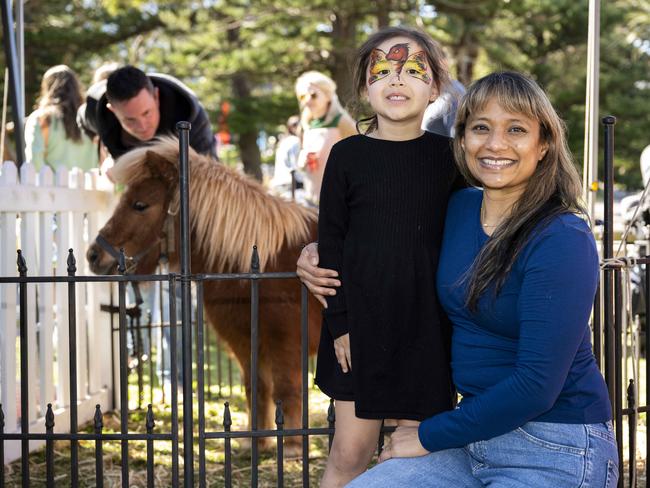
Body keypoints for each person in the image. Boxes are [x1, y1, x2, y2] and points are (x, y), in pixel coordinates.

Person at [299, 72, 618, 487]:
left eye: (516, 129)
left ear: (544, 146)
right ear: (462, 140)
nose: (495, 144)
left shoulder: (560, 237)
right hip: (469, 442)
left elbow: (537, 386)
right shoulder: (458, 208)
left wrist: (429, 435)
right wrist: (316, 254)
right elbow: (383, 238)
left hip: (554, 444)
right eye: (480, 128)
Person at [310, 26, 464, 487]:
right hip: (357, 328)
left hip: (426, 329)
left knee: (411, 454)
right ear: (364, 87)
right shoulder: (346, 156)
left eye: (414, 70)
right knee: (350, 451)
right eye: (382, 71)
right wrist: (341, 324)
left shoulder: (452, 158)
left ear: (434, 87)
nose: (397, 81)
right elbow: (330, 242)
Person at [78, 65, 216, 160]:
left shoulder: (190, 116)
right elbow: (80, 119)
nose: (143, 126)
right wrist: (102, 152)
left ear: (156, 97)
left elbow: (210, 172)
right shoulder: (96, 112)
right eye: (130, 120)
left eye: (147, 113)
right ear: (113, 111)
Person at [294, 71, 356, 204]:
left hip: (339, 202)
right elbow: (303, 166)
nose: (307, 101)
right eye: (302, 96)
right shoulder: (306, 125)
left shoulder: (342, 122)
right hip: (311, 199)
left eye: (313, 95)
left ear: (328, 95)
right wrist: (302, 160)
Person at [25, 65, 98, 172]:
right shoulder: (90, 118)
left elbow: (34, 163)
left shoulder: (41, 119)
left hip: (49, 188)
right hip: (89, 186)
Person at [270, 115, 302, 193]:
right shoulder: (295, 141)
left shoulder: (283, 142)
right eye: (296, 124)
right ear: (290, 127)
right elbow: (294, 165)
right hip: (291, 184)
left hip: (280, 184)